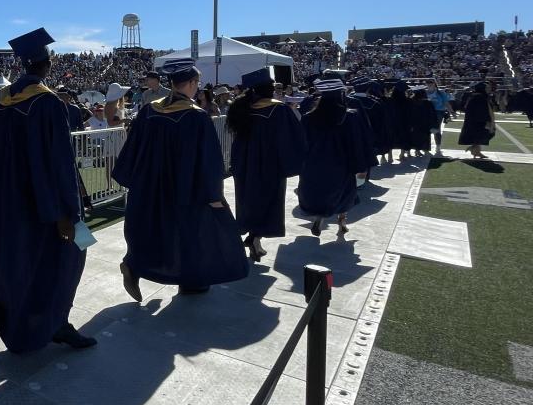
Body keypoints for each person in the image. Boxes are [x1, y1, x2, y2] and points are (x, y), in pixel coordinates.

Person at [0, 28, 95, 352]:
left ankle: (22, 327)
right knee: (77, 251)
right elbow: (62, 161)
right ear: (47, 65)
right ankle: (57, 323)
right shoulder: (48, 103)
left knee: (15, 265)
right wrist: (69, 211)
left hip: (4, 203)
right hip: (45, 206)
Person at [112, 58, 248, 298]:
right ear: (193, 83)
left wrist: (134, 179)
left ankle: (134, 265)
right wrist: (214, 195)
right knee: (190, 233)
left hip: (150, 185)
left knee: (151, 229)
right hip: (186, 188)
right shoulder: (196, 117)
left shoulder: (149, 111)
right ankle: (191, 281)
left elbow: (132, 148)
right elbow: (208, 160)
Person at [226, 68, 307, 263]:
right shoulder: (278, 110)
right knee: (269, 201)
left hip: (244, 165)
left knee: (248, 200)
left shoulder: (242, 109)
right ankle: (255, 238)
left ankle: (254, 238)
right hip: (270, 166)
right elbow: (293, 139)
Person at [297, 80, 370, 236]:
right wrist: (361, 166)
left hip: (314, 164)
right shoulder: (350, 117)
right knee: (344, 194)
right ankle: (342, 221)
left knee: (319, 193)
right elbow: (356, 143)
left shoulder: (308, 117)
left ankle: (319, 217)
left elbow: (301, 143)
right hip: (340, 164)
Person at [458, 81, 496, 159]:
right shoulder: (480, 97)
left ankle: (474, 149)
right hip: (479, 121)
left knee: (479, 137)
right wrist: (488, 121)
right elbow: (485, 111)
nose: (489, 89)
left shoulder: (477, 96)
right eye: (487, 87)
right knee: (482, 135)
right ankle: (476, 151)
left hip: (475, 121)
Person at [424, 80, 453, 155]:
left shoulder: (441, 93)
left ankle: (438, 146)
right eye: (428, 83)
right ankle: (426, 147)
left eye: (431, 83)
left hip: (439, 112)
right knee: (426, 130)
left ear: (434, 84)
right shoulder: (424, 92)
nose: (429, 84)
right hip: (427, 113)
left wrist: (452, 112)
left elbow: (446, 103)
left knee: (436, 129)